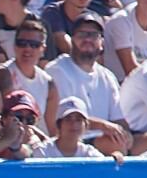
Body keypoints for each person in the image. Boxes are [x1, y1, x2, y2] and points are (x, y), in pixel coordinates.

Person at [46, 12, 132, 153]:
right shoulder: (57, 70)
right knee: (116, 145)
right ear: (72, 39)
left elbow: (119, 119)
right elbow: (64, 118)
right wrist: (103, 126)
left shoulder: (107, 76)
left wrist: (126, 134)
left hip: (105, 140)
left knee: (146, 140)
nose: (87, 39)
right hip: (71, 142)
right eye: (82, 34)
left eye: (93, 35)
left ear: (102, 42)